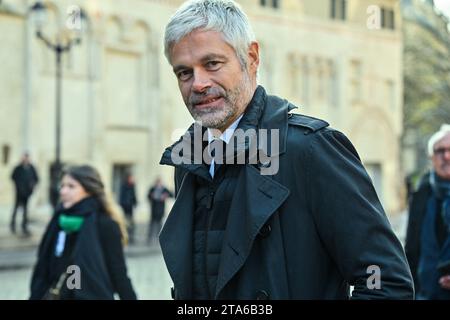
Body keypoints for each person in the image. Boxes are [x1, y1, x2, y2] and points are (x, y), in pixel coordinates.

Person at [158, 0, 413, 300]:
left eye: (212, 64)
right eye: (184, 73)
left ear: (251, 58)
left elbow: (385, 280)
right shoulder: (187, 161)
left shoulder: (310, 151)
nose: (198, 84)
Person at [30, 165, 137, 300]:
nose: (63, 191)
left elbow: (118, 272)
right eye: (62, 186)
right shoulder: (59, 220)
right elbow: (42, 268)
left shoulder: (104, 224)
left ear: (89, 190)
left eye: (71, 186)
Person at [405, 124, 450, 299]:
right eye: (440, 151)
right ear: (431, 157)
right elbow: (410, 249)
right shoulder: (421, 194)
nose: (446, 156)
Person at [10, 152, 39, 236]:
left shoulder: (31, 168)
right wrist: (19, 186)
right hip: (19, 192)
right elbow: (13, 177)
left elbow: (36, 178)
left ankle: (24, 226)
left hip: (27, 193)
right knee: (16, 208)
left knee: (25, 210)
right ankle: (13, 225)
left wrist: (32, 185)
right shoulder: (18, 168)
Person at [147, 177, 173, 245]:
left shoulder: (164, 189)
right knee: (152, 224)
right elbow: (148, 196)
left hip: (161, 210)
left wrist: (165, 196)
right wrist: (151, 196)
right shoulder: (152, 188)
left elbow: (171, 194)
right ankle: (150, 238)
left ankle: (159, 237)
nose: (159, 184)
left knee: (159, 224)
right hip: (153, 209)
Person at [119, 174, 138, 244]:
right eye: (131, 178)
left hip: (130, 208)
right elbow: (121, 197)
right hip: (125, 207)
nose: (133, 179)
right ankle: (125, 237)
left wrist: (135, 202)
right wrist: (123, 204)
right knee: (125, 223)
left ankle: (130, 237)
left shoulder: (132, 186)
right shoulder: (124, 186)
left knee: (131, 223)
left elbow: (134, 195)